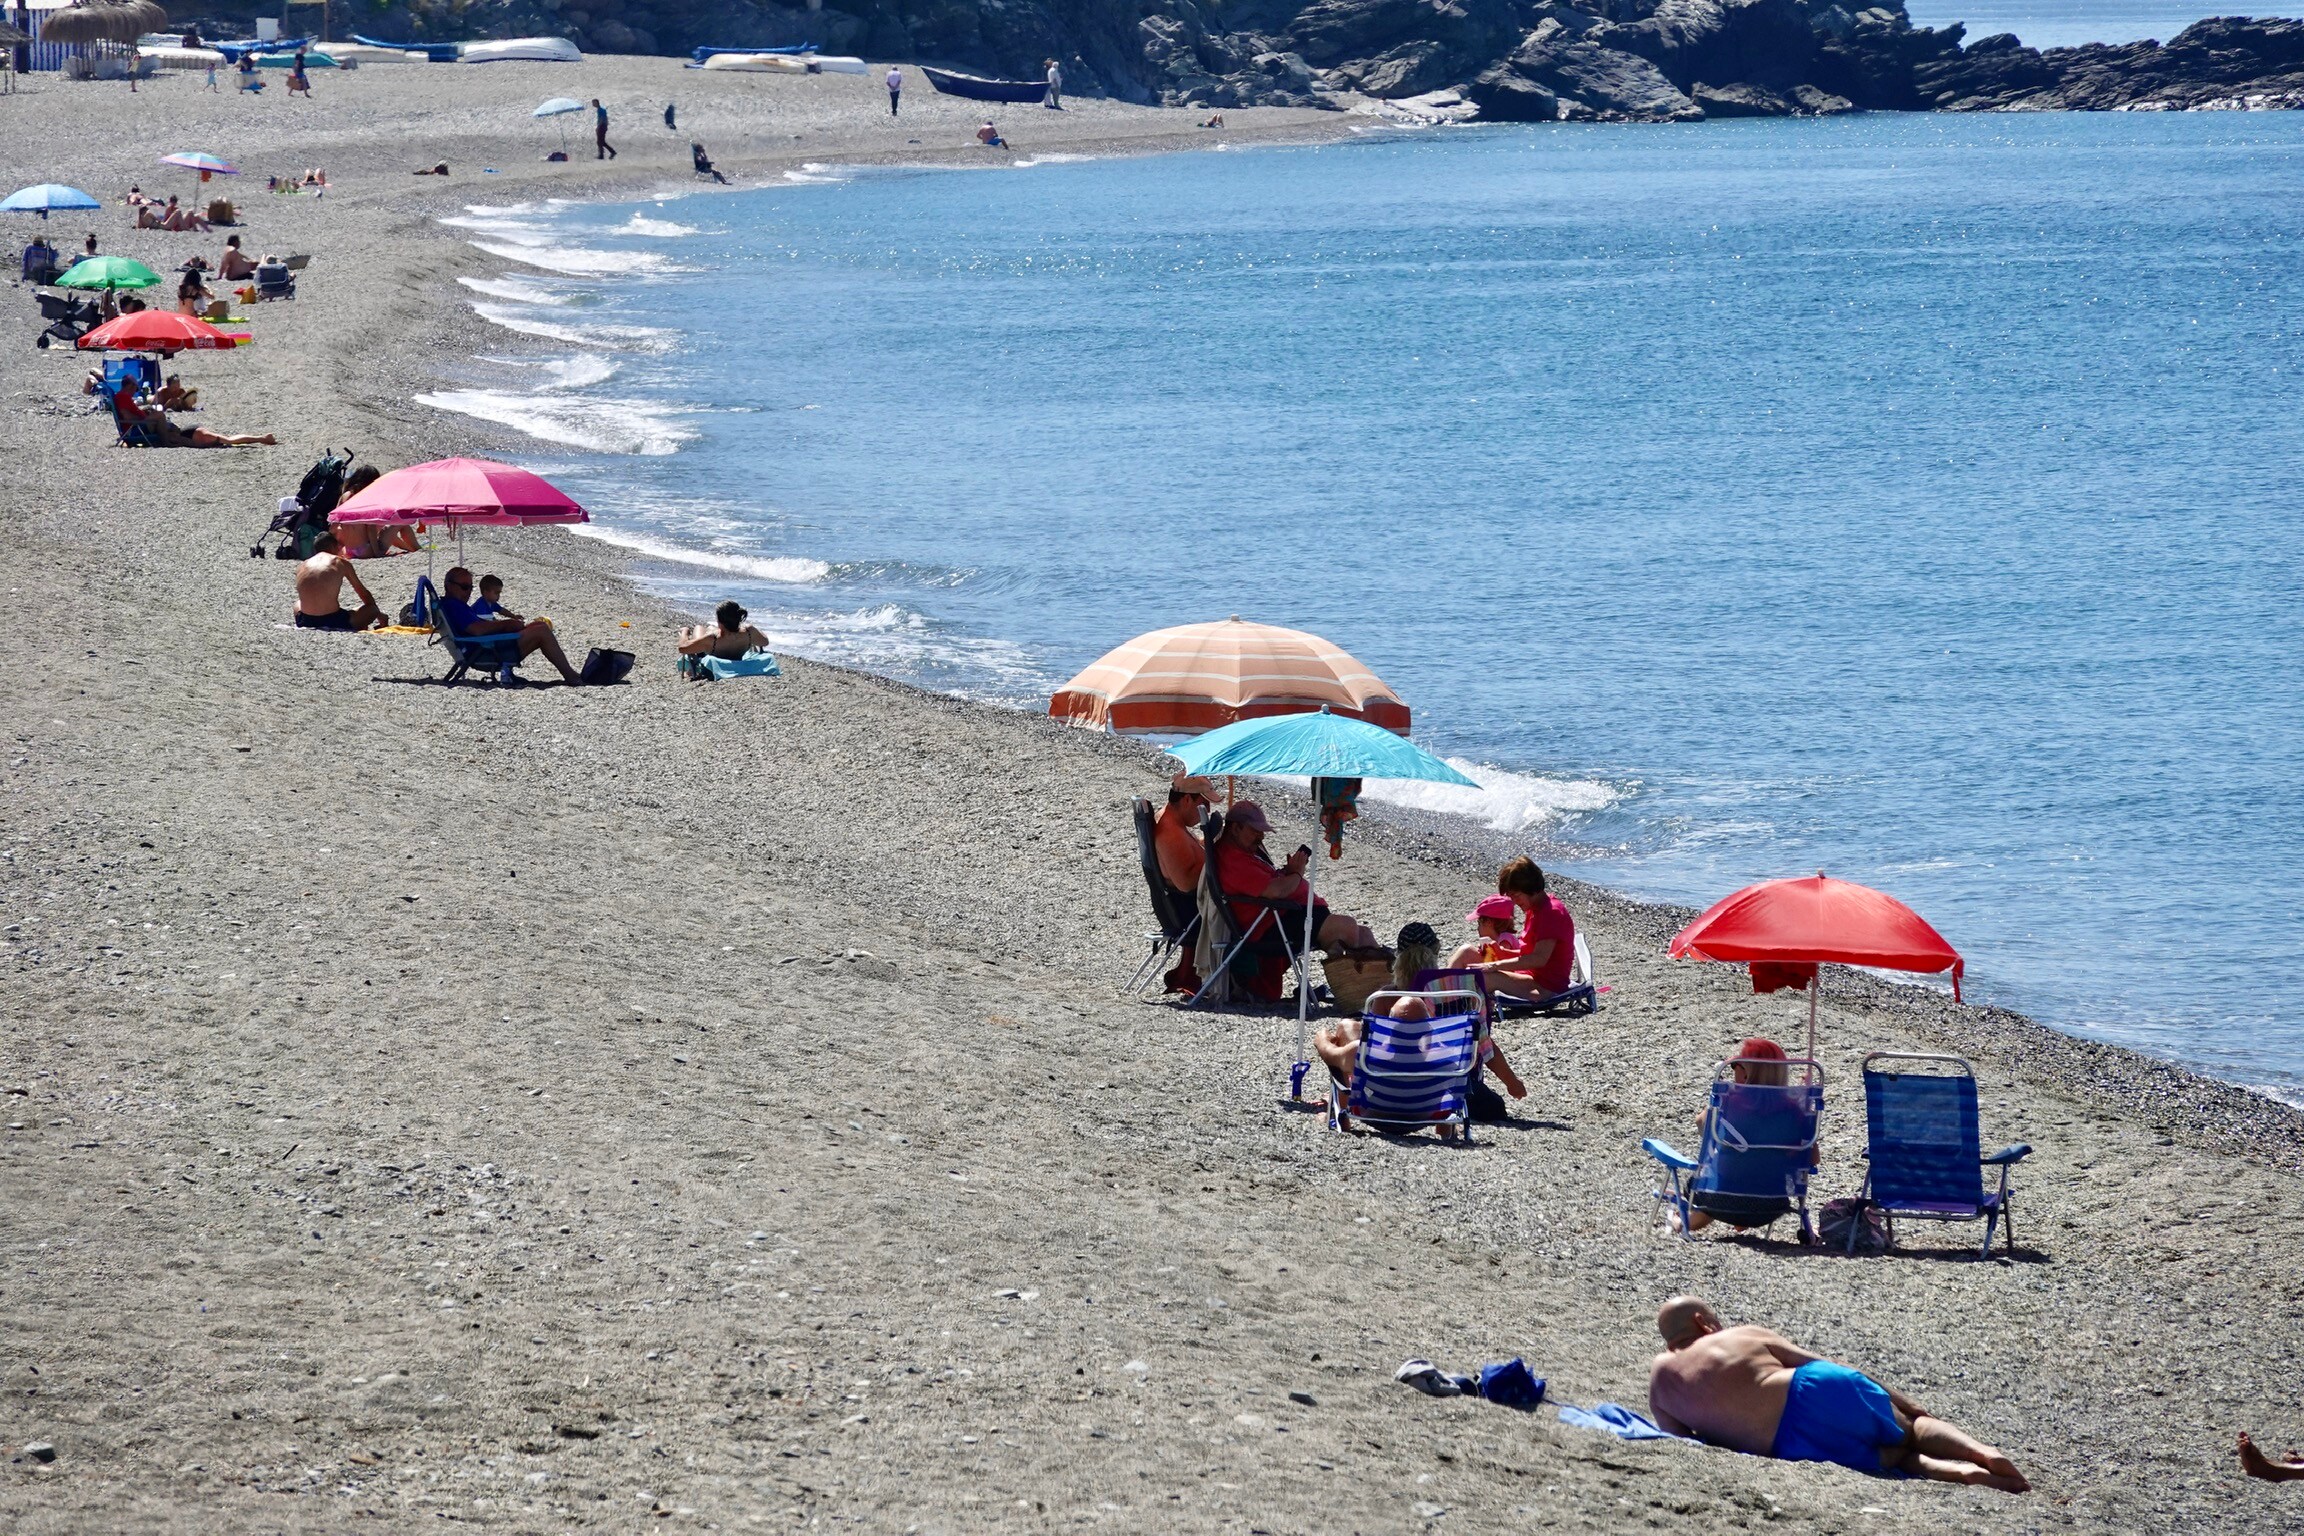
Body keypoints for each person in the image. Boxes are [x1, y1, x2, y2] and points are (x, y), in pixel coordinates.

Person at [1648, 1297, 2029, 1491]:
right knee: (1912, 1428)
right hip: (1813, 1387)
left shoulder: (1660, 1381)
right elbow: (1824, 1363)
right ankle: (1981, 1452)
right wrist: (1905, 1402)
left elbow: (1684, 1442)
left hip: (1784, 1440)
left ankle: (1962, 1473)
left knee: (1897, 1460)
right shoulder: (1738, 1335)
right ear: (1703, 1322)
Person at [1678, 1037, 1813, 1233]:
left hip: (1720, 1198)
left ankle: (1680, 1223)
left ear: (1748, 1070)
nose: (1734, 1071)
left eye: (1736, 1066)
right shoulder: (1794, 1111)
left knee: (1711, 1179)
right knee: (1750, 1174)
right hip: (1770, 1206)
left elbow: (1701, 1123)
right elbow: (1811, 1158)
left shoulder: (1729, 1101)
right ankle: (1739, 1220)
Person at [1212, 800, 1378, 958]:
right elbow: (1275, 891)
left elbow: (1265, 884)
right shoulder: (1233, 860)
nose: (1261, 837)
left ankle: (1378, 984)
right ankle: (1352, 977)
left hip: (1283, 914)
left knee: (1364, 934)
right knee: (1347, 927)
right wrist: (1297, 873)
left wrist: (1287, 872)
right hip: (1270, 924)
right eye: (1255, 831)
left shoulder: (1241, 852)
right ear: (1235, 829)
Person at [439, 566, 583, 684]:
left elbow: (478, 626)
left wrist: (507, 624)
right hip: (486, 651)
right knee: (542, 631)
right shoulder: (454, 606)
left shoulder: (456, 605)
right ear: (449, 586)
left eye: (470, 587)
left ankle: (571, 674)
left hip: (487, 645)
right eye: (464, 587)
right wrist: (505, 625)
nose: (469, 592)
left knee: (538, 626)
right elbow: (477, 630)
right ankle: (571, 676)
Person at [1151, 774, 1217, 992]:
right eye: (1204, 803)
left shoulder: (1172, 822)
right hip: (1188, 911)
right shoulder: (1170, 831)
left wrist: (1205, 842)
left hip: (1181, 907)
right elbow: (1186, 883)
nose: (1206, 810)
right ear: (1187, 800)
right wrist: (1214, 856)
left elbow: (1184, 856)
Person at [1479, 855, 1578, 1001]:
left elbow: (1538, 959)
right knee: (1466, 952)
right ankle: (1437, 995)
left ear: (1531, 888)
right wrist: (1503, 953)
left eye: (1516, 895)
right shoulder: (1535, 909)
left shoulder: (1551, 913)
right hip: (1529, 976)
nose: (1513, 901)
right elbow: (1529, 953)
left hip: (1544, 987)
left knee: (1483, 977)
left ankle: (1445, 1006)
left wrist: (1495, 965)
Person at [294, 532, 383, 630]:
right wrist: (378, 614)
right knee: (372, 610)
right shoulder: (339, 562)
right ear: (333, 546)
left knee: (298, 603)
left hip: (304, 620)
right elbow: (363, 593)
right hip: (333, 620)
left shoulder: (303, 565)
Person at [677, 599, 770, 662]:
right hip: (737, 654)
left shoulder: (712, 639)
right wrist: (752, 628)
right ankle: (712, 628)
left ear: (719, 620)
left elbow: (682, 648)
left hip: (714, 651)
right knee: (710, 628)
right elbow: (765, 642)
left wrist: (685, 632)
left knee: (699, 627)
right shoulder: (749, 632)